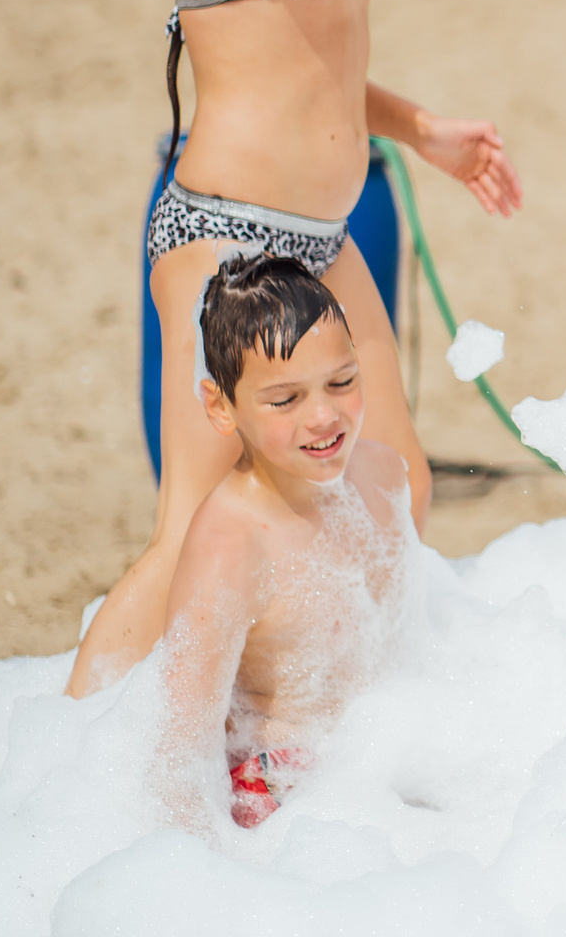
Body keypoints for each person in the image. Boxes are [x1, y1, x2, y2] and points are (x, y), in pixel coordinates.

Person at [71, 0, 522, 699]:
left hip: (320, 235)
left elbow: (303, 61)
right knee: (194, 525)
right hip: (226, 231)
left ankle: (307, 719)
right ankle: (74, 768)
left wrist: (421, 129)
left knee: (398, 489)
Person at [154, 255, 413, 831]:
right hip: (279, 796)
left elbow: (403, 644)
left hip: (385, 758)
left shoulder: (382, 477)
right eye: (285, 400)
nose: (323, 415)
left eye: (342, 382)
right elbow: (179, 749)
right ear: (221, 406)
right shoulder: (231, 544)